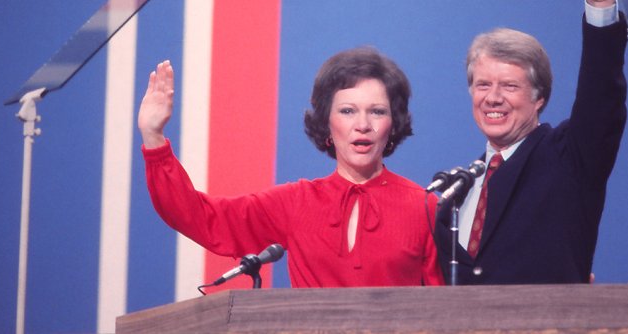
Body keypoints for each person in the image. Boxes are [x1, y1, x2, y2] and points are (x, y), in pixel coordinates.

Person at [434, 0, 628, 284]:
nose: (492, 97)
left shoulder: (570, 157)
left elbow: (601, 90)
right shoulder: (454, 192)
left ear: (539, 97)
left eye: (508, 86)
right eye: (482, 84)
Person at [138, 47, 444, 288]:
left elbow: (447, 312)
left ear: (393, 124)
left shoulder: (425, 207)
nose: (362, 125)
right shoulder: (296, 203)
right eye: (348, 111)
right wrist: (154, 138)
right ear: (327, 122)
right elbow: (201, 218)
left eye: (377, 111)